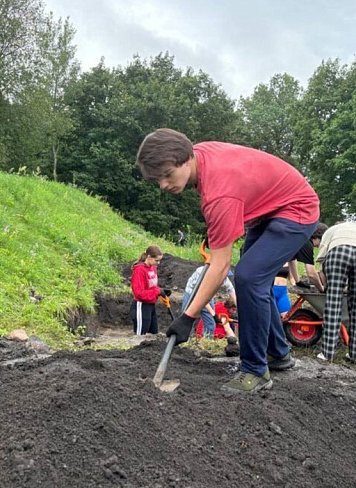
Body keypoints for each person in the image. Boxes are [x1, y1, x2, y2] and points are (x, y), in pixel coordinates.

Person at [136, 128, 320, 393]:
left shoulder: (218, 195)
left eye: (167, 176)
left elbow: (220, 266)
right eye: (158, 180)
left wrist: (188, 316)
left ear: (186, 159)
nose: (164, 185)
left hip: (295, 208)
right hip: (267, 207)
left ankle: (255, 371)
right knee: (254, 279)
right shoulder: (196, 154)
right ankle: (278, 353)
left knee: (249, 276)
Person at [313, 222, 356, 364]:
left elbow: (321, 261)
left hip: (339, 252)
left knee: (334, 303)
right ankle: (355, 354)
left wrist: (324, 285)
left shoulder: (329, 232)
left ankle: (327, 353)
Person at [182, 263, 236, 340]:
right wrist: (214, 314)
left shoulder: (224, 279)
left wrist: (241, 309)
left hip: (208, 295)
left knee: (210, 322)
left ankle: (207, 341)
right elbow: (202, 297)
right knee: (188, 318)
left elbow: (232, 291)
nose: (225, 278)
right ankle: (185, 340)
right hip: (192, 293)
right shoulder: (203, 274)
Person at [130, 245, 167, 335]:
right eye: (156, 260)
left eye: (159, 261)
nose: (158, 263)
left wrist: (160, 291)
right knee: (140, 336)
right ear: (149, 257)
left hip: (151, 305)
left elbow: (152, 286)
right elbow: (139, 293)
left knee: (153, 334)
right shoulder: (139, 270)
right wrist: (156, 292)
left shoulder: (153, 268)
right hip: (141, 306)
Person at [288, 223, 329, 290]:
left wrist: (298, 281)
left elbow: (291, 260)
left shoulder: (300, 238)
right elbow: (311, 274)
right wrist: (321, 288)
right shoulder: (307, 243)